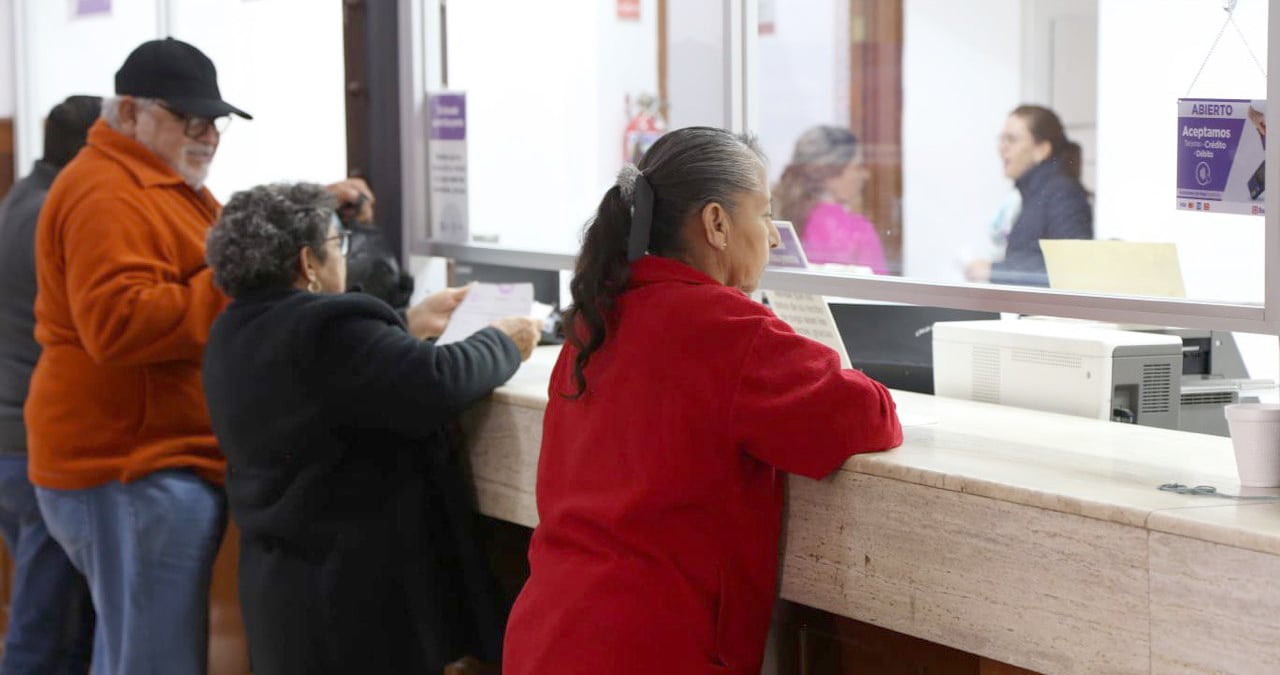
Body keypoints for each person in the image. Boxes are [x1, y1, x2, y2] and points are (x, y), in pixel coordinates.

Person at [25, 39, 371, 675]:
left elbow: (202, 252)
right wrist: (251, 278)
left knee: (132, 654)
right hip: (130, 466)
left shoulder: (158, 182)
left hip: (148, 465)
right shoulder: (107, 194)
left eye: (215, 121)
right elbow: (118, 323)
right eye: (189, 119)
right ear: (130, 112)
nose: (207, 135)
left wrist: (300, 216)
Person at [502, 127, 903, 674]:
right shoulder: (727, 327)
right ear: (716, 223)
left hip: (547, 636)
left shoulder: (596, 317)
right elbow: (864, 417)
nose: (774, 237)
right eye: (764, 214)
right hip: (651, 651)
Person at [201, 182, 541, 674]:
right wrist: (503, 341)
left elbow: (335, 379)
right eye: (336, 243)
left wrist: (408, 322)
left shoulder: (234, 329)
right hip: (350, 598)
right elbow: (438, 380)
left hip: (281, 590)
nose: (343, 255)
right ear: (308, 262)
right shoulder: (328, 329)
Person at [0, 95, 100, 675]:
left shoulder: (19, 199)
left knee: (63, 622)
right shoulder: (55, 215)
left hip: (12, 441)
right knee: (43, 628)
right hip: (33, 446)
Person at [966, 104, 1092, 286]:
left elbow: (1070, 268)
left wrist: (995, 271)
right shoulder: (1030, 195)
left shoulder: (1063, 194)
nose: (1002, 148)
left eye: (1011, 139)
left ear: (1042, 150)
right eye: (1001, 139)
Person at [774, 125, 888, 273]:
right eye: (858, 167)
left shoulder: (777, 224)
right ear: (831, 173)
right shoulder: (857, 232)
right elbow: (879, 286)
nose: (866, 175)